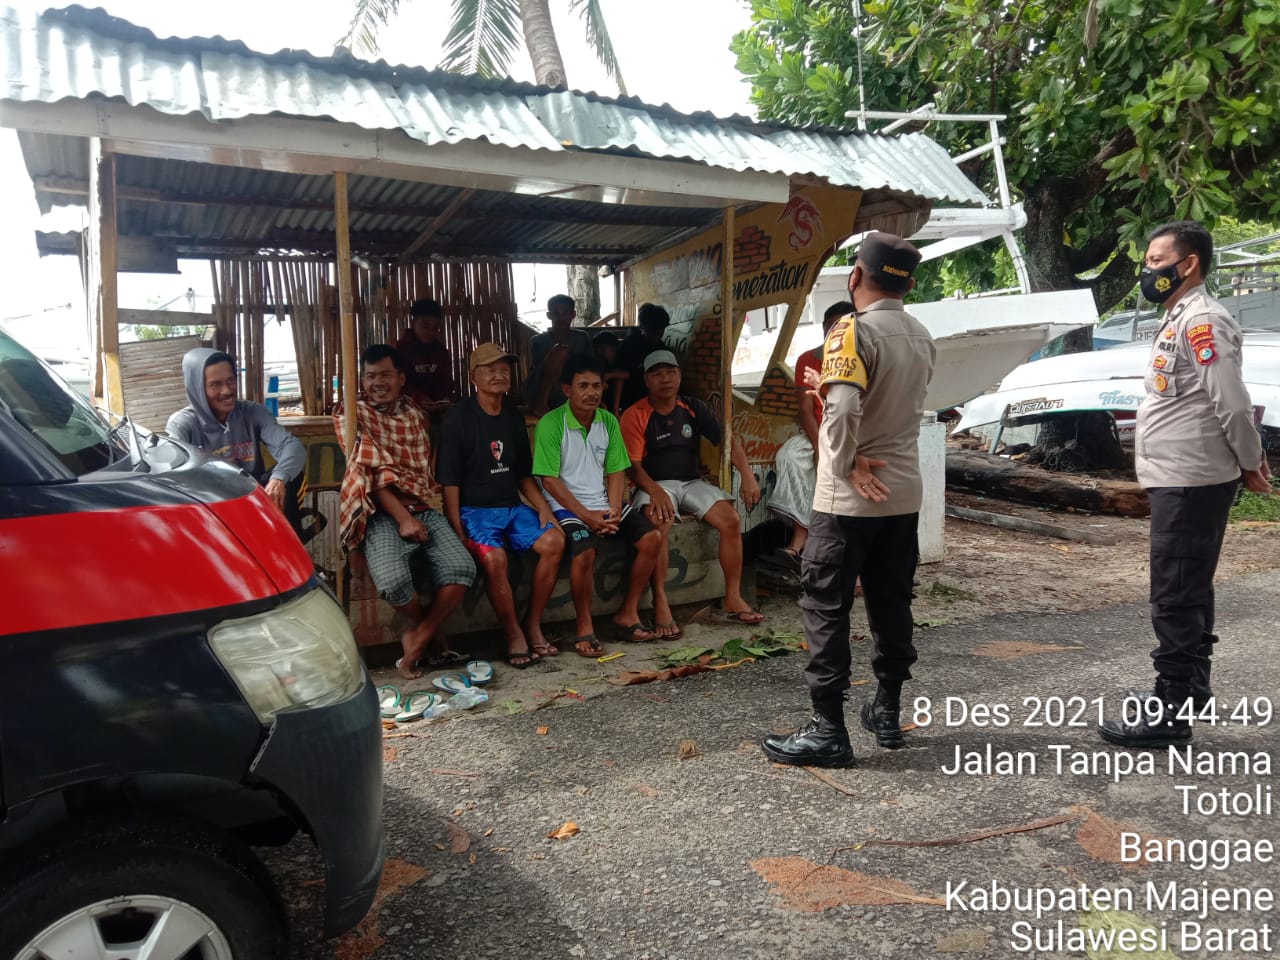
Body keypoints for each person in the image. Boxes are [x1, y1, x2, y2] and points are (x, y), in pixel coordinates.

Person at [762, 232, 935, 768]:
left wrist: (844, 465)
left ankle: (828, 730)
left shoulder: (850, 331)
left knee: (826, 607)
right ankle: (886, 710)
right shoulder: (921, 333)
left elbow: (841, 412)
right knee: (891, 602)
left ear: (857, 276)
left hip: (849, 500)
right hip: (903, 494)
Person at [1098, 220, 1272, 748]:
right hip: (1182, 475)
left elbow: (1232, 402)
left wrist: (1251, 461)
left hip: (1193, 478)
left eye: (1155, 261)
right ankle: (1190, 686)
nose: (1148, 272)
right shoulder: (1180, 318)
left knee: (1174, 592)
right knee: (1189, 585)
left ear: (1188, 262)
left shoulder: (1202, 322)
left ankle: (1170, 709)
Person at [335, 344, 476, 680]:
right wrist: (403, 518)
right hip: (378, 511)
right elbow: (371, 472)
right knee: (394, 582)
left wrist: (415, 514)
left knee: (463, 569)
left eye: (385, 375)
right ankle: (430, 630)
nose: (376, 382)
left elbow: (421, 473)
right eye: (370, 376)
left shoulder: (414, 414)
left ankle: (419, 634)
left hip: (422, 504)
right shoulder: (350, 414)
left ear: (401, 378)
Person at [438, 342, 567, 667]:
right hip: (475, 512)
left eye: (504, 369)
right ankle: (512, 632)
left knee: (554, 540)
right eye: (490, 369)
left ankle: (533, 623)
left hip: (511, 509)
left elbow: (523, 475)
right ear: (473, 377)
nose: (499, 374)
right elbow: (449, 483)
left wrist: (542, 507)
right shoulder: (458, 419)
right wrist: (457, 530)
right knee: (494, 559)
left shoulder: (512, 419)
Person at [534, 353, 669, 653]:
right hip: (565, 507)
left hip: (602, 502)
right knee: (584, 552)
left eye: (596, 385)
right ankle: (584, 626)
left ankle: (628, 612)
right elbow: (549, 481)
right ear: (567, 389)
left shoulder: (608, 421)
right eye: (583, 386)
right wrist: (587, 516)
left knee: (651, 538)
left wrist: (614, 509)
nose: (591, 392)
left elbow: (617, 470)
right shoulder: (551, 424)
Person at [620, 349, 765, 627]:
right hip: (654, 484)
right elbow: (633, 467)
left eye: (670, 372)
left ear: (679, 375)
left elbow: (727, 440)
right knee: (658, 521)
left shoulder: (692, 407)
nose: (665, 379)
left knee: (730, 520)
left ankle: (732, 597)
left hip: (690, 481)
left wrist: (747, 474)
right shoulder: (635, 414)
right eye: (657, 374)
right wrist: (655, 492)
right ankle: (660, 601)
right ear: (647, 381)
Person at [167, 347, 306, 529]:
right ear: (197, 389)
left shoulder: (252, 412)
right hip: (212, 507)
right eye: (215, 385)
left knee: (290, 476)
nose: (227, 390)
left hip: (254, 498)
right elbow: (176, 476)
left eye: (231, 381)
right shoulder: (182, 425)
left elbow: (292, 447)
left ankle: (288, 549)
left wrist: (278, 479)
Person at [770, 301, 856, 570]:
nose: (837, 332)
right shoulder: (808, 359)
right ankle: (801, 535)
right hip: (819, 434)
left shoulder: (861, 361)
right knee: (791, 456)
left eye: (844, 327)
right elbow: (806, 411)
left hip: (854, 437)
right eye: (832, 326)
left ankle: (846, 562)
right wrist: (820, 449)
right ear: (823, 329)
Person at [525, 294, 592, 415]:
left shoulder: (581, 338)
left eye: (565, 313)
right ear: (549, 315)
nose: (561, 318)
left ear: (573, 314)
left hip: (572, 387)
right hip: (543, 391)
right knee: (560, 351)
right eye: (556, 313)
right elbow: (540, 371)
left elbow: (588, 365)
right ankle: (541, 405)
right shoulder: (538, 341)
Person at [395, 298, 456, 408]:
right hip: (406, 409)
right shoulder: (399, 351)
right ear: (414, 323)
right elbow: (396, 384)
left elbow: (446, 383)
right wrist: (418, 398)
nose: (430, 332)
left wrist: (444, 400)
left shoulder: (441, 352)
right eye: (425, 326)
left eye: (435, 328)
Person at [616, 303, 670, 411]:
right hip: (630, 400)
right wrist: (616, 408)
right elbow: (620, 376)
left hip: (654, 402)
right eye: (653, 329)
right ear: (643, 327)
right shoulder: (629, 345)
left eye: (661, 329)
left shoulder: (662, 349)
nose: (658, 333)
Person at [593, 330, 629, 414]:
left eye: (603, 349)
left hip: (619, 398)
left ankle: (615, 409)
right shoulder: (598, 361)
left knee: (618, 379)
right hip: (601, 394)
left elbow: (628, 374)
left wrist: (609, 375)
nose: (599, 352)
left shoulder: (619, 361)